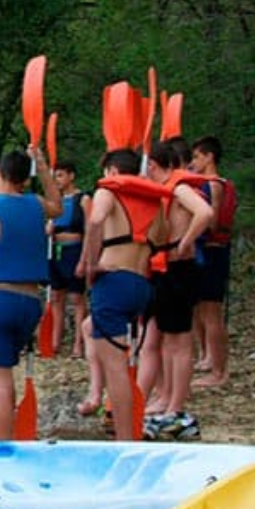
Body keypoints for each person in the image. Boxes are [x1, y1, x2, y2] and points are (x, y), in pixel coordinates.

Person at [0, 148, 61, 439]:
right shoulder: (37, 204)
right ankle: (8, 430)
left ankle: (4, 443)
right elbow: (58, 205)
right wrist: (43, 166)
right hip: (32, 302)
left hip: (0, 297)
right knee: (7, 370)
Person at [78, 149, 169, 440]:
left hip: (114, 280)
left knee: (115, 368)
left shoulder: (108, 192)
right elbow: (164, 237)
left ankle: (126, 439)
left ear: (113, 171)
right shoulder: (154, 201)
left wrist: (91, 264)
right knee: (96, 333)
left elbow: (95, 222)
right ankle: (122, 421)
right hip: (141, 285)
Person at [142, 139, 214, 439]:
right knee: (165, 341)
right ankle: (167, 398)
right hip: (163, 268)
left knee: (179, 342)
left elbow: (205, 213)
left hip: (179, 269)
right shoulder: (164, 189)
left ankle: (176, 405)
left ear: (156, 165)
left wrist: (186, 242)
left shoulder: (179, 187)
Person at [189, 136, 232, 388]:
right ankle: (212, 362)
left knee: (213, 313)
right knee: (205, 311)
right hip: (206, 252)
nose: (194, 162)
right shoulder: (203, 183)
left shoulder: (213, 185)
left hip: (214, 251)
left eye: (197, 157)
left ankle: (219, 371)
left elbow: (212, 222)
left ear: (209, 157)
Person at [48, 160, 91, 359]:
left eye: (61, 175)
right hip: (56, 250)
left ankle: (78, 344)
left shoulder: (82, 199)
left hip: (75, 250)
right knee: (56, 296)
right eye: (55, 176)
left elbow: (90, 230)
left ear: (71, 176)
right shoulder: (54, 201)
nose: (57, 180)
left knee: (77, 298)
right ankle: (55, 342)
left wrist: (85, 258)